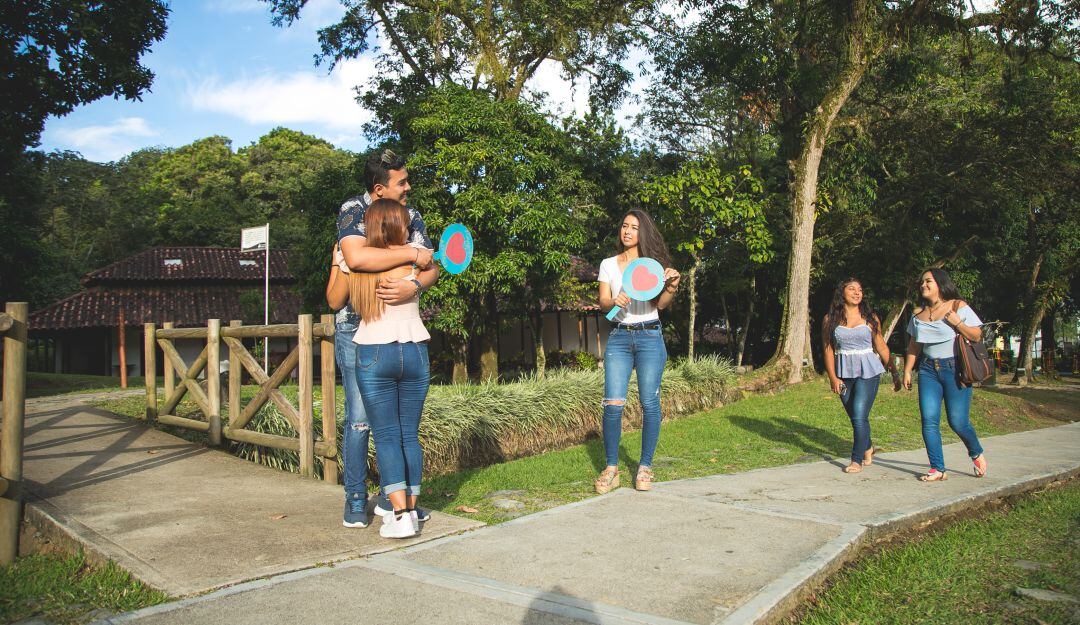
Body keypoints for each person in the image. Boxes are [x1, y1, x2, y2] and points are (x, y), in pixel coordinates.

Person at [333, 149, 438, 528]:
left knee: (396, 431)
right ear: (379, 189)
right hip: (357, 326)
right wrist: (411, 256)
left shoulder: (412, 215)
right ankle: (356, 497)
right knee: (360, 420)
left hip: (397, 330)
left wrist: (414, 285)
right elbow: (357, 260)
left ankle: (397, 503)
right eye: (402, 182)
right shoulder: (352, 210)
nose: (408, 188)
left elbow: (432, 266)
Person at [349, 199, 434, 538]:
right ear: (398, 225)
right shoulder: (416, 257)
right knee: (408, 435)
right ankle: (411, 510)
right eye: (405, 221)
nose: (410, 226)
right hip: (415, 349)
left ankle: (399, 516)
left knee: (385, 436)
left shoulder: (358, 260)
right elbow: (433, 267)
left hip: (373, 349)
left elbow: (334, 298)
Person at [595, 210, 680, 494]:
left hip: (650, 336)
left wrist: (672, 285)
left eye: (634, 227)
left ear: (642, 232)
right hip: (619, 338)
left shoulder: (653, 266)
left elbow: (662, 304)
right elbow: (603, 302)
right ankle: (611, 469)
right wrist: (613, 301)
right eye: (624, 226)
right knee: (612, 404)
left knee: (649, 402)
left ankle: (645, 467)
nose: (627, 231)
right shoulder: (608, 264)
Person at [902, 268, 988, 482]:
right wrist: (907, 370)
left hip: (955, 369)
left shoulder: (958, 306)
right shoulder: (918, 315)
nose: (923, 285)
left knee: (957, 421)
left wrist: (957, 322)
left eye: (928, 281)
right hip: (928, 370)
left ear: (940, 283)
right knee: (929, 420)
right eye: (922, 282)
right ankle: (937, 468)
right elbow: (914, 346)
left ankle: (975, 451)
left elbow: (977, 335)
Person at [821, 278, 897, 474]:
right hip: (843, 373)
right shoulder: (830, 319)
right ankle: (868, 445)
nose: (857, 293)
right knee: (855, 416)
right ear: (842, 292)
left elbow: (881, 346)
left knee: (859, 414)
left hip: (868, 372)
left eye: (860, 290)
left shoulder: (870, 317)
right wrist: (833, 378)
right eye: (852, 289)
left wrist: (894, 372)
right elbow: (828, 350)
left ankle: (856, 459)